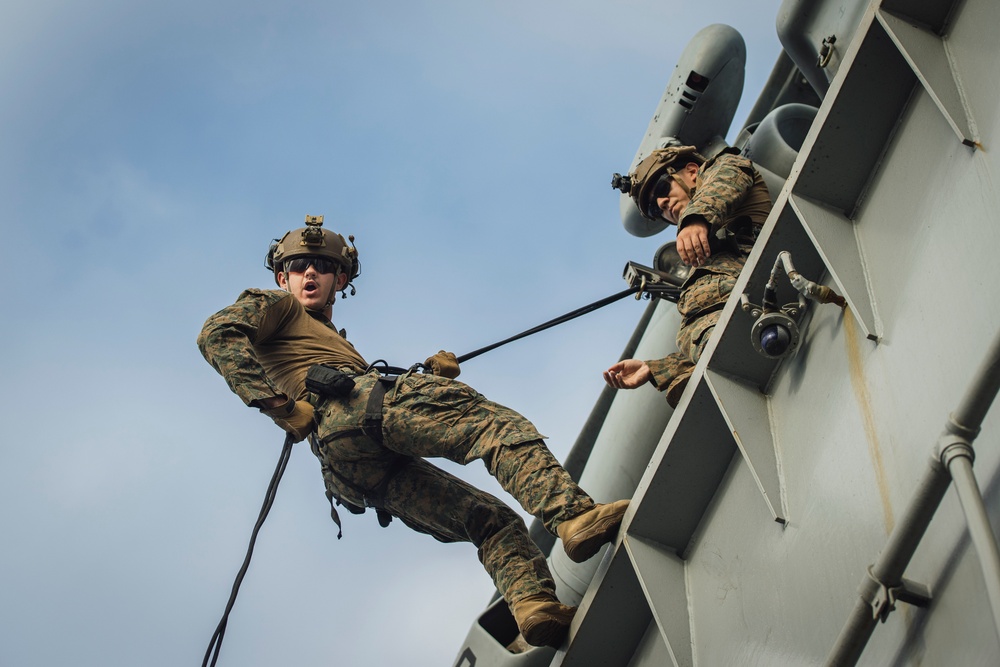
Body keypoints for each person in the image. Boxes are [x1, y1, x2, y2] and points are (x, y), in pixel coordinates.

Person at [197, 215, 628, 649]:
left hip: (348, 465)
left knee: (489, 520)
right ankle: (572, 516)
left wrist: (424, 373)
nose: (310, 272)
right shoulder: (279, 306)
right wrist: (278, 406)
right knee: (493, 426)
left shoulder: (325, 338)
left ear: (339, 278)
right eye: (298, 266)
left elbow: (364, 391)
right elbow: (216, 333)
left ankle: (533, 606)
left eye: (322, 266)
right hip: (353, 414)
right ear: (281, 277)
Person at [605, 143, 772, 406]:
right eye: (654, 209)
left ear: (692, 171)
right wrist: (656, 368)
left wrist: (695, 220)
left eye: (662, 188)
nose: (662, 204)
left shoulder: (724, 168)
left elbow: (726, 179)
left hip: (758, 292)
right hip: (732, 327)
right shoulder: (705, 246)